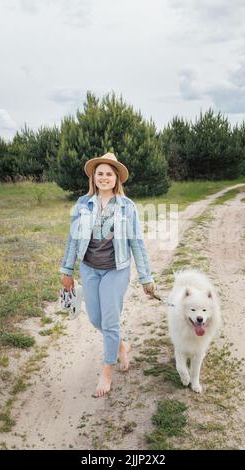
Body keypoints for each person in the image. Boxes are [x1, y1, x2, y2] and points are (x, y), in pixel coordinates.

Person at [60, 152, 155, 397]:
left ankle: (106, 372)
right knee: (95, 318)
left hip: (116, 270)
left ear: (116, 179)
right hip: (89, 268)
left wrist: (146, 277)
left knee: (110, 321)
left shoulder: (127, 206)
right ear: (94, 177)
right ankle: (121, 344)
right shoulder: (82, 204)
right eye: (100, 173)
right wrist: (67, 270)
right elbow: (72, 240)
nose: (104, 177)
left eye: (109, 174)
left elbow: (137, 243)